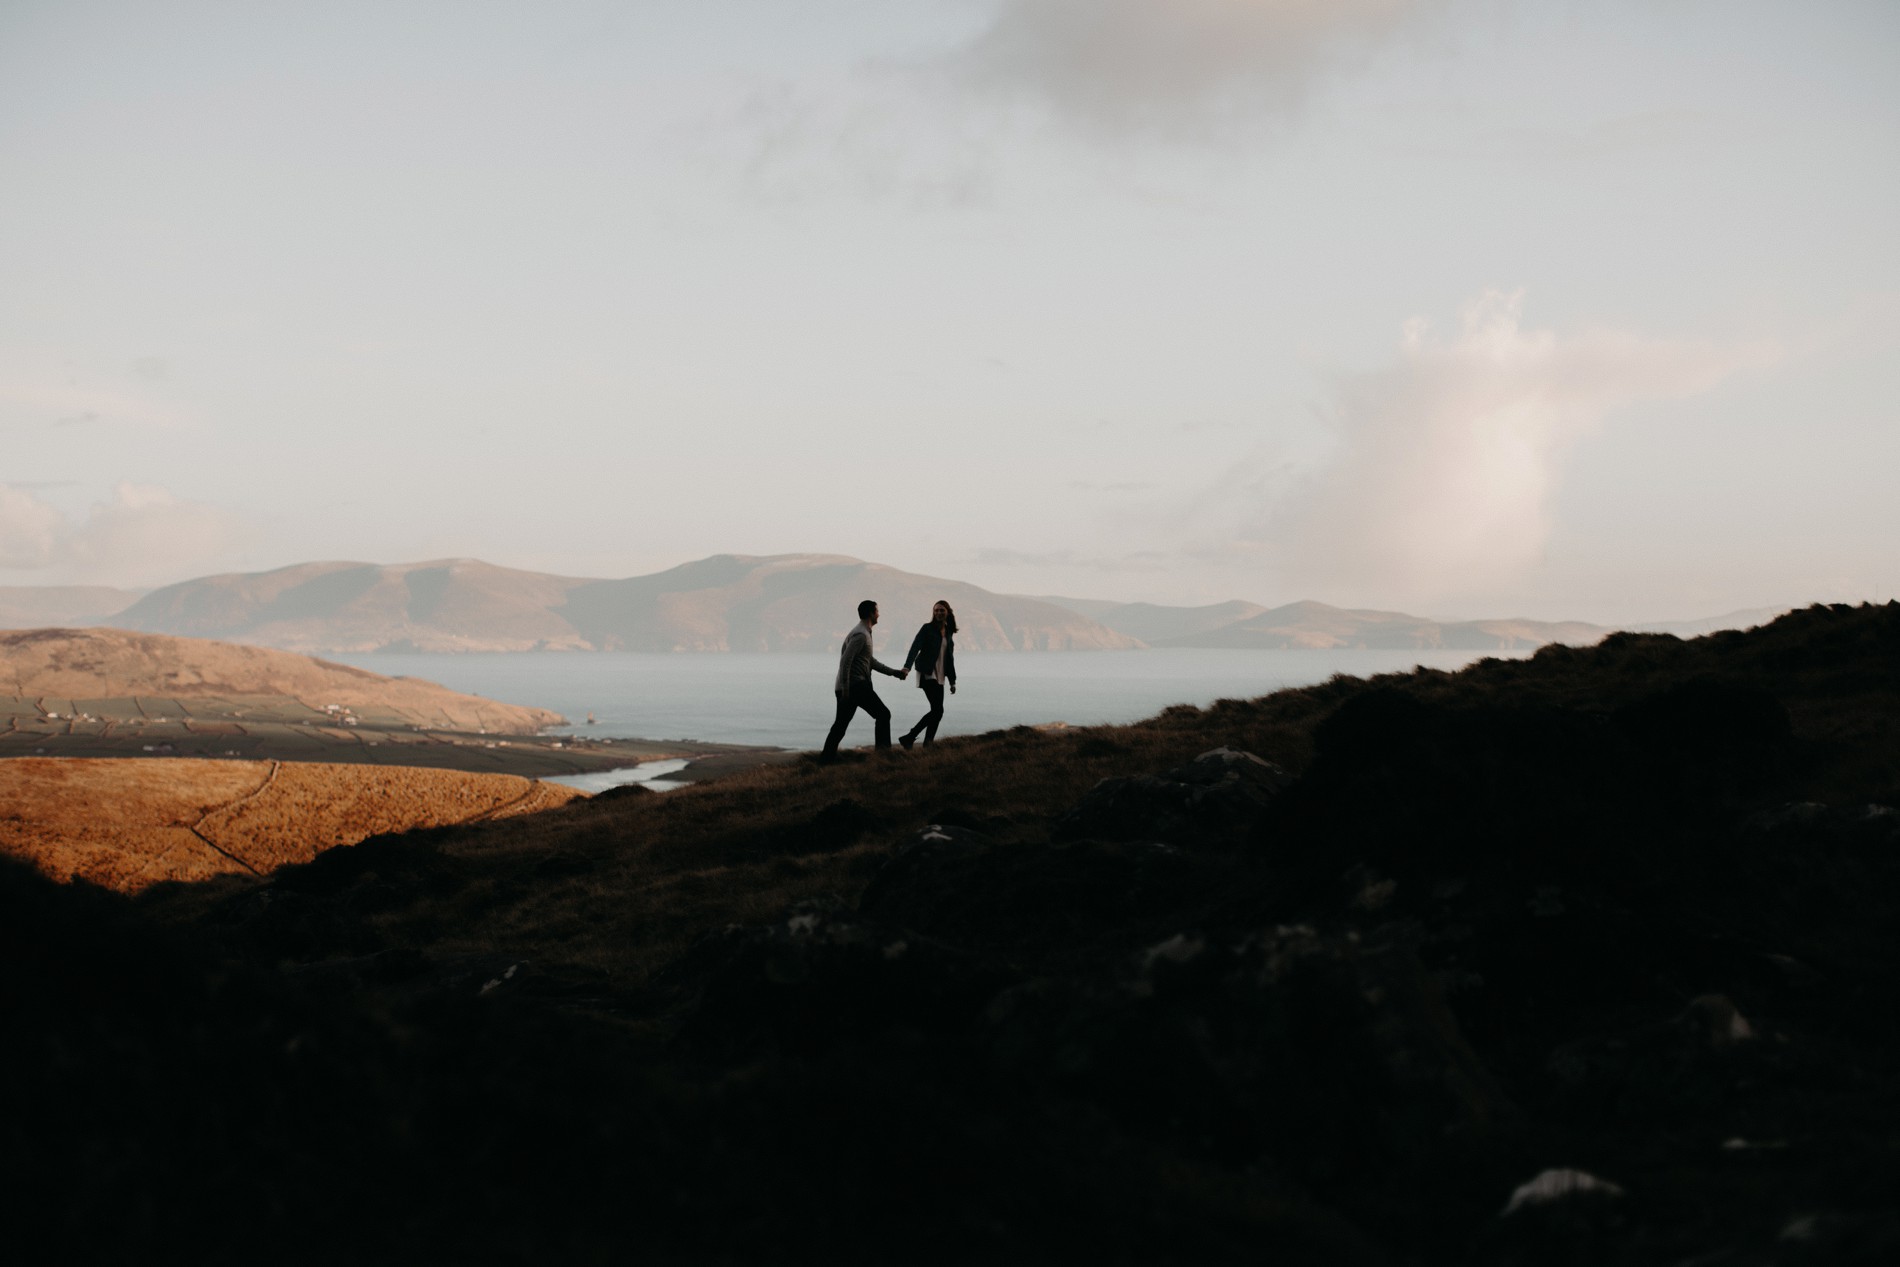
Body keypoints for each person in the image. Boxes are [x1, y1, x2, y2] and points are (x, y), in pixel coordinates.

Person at [821, 599, 906, 759]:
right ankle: (883, 755)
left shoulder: (864, 632)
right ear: (871, 614)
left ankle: (826, 758)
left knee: (840, 726)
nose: (879, 614)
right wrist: (846, 689)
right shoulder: (861, 634)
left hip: (850, 686)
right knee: (883, 714)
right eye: (877, 611)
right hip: (855, 686)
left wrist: (894, 672)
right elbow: (846, 661)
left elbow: (870, 661)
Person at [898, 599, 957, 749]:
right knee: (938, 710)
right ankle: (912, 737)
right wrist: (907, 667)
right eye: (936, 610)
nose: (938, 612)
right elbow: (915, 647)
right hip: (927, 673)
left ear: (947, 612)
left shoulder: (949, 631)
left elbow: (949, 658)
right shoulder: (927, 628)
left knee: (937, 712)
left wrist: (952, 681)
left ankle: (924, 742)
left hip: (940, 675)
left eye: (941, 610)